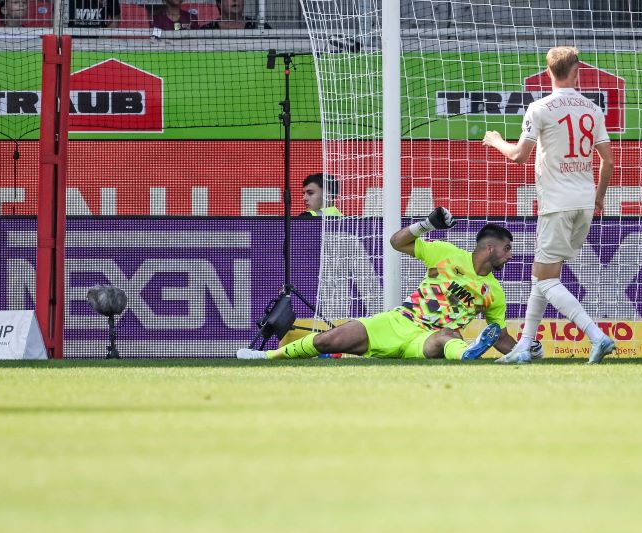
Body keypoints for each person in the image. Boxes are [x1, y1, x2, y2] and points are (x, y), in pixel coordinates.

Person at [483, 46, 616, 365]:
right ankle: (524, 347)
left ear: (548, 73)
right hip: (584, 203)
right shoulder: (592, 109)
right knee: (542, 277)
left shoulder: (540, 108)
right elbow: (608, 161)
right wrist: (598, 197)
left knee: (544, 278)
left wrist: (495, 140)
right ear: (577, 72)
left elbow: (519, 156)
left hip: (556, 204)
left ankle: (596, 336)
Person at [237, 216, 517, 362]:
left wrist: (524, 350)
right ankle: (266, 355)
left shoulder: (494, 292)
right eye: (507, 249)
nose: (509, 255)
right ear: (489, 247)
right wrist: (427, 224)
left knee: (445, 337)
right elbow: (397, 242)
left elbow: (501, 337)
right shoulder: (445, 253)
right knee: (330, 340)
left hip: (425, 339)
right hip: (397, 321)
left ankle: (466, 351)